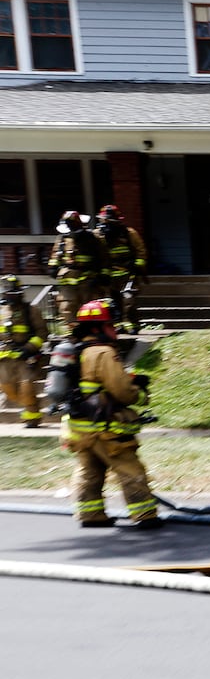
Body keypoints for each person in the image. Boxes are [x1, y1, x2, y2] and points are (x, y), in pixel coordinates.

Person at [58, 299, 160, 530]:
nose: (113, 330)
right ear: (98, 327)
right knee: (129, 468)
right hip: (105, 428)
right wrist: (139, 393)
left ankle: (90, 515)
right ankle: (145, 515)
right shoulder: (103, 352)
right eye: (110, 325)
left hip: (79, 428)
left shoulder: (75, 351)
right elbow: (122, 391)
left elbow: (89, 385)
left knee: (89, 471)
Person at [1, 275, 48, 428]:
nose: (11, 296)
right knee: (9, 390)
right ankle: (29, 405)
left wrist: (28, 348)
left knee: (27, 387)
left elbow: (42, 333)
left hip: (25, 358)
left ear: (20, 293)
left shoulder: (30, 311)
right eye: (8, 293)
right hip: (5, 359)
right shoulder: (1, 312)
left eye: (14, 293)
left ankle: (32, 417)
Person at [93, 205, 148, 334]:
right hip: (109, 274)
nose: (107, 223)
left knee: (128, 300)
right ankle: (117, 325)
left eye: (110, 221)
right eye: (105, 220)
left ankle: (131, 325)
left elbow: (141, 251)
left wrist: (136, 265)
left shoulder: (129, 233)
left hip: (127, 273)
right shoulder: (97, 235)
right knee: (111, 302)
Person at [46, 211, 107, 323]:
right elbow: (56, 255)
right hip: (67, 281)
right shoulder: (62, 239)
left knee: (89, 308)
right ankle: (72, 334)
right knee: (67, 307)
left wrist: (102, 275)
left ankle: (90, 332)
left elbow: (103, 258)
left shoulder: (92, 238)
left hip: (88, 280)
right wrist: (53, 267)